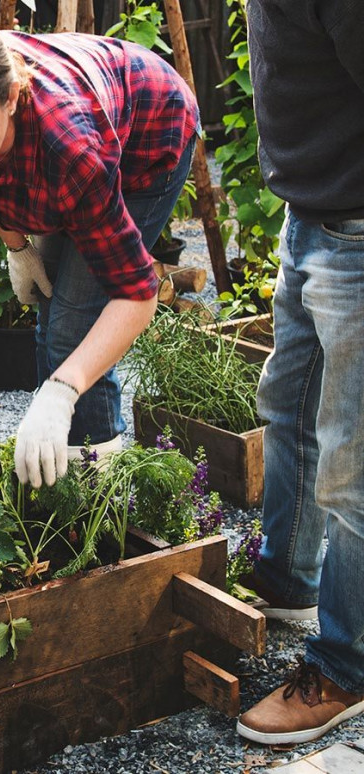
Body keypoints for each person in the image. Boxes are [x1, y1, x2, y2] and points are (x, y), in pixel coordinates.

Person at [0, 15, 198, 487]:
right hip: (84, 122)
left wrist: (62, 391)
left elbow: (137, 294)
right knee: (50, 315)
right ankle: (54, 471)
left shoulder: (71, 153)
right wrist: (18, 245)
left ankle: (93, 488)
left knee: (72, 334)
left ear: (12, 99)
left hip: (151, 131)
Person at [234, 0, 364, 745]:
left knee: (353, 463)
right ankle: (287, 582)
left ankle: (345, 666)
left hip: (356, 228)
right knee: (287, 407)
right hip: (309, 216)